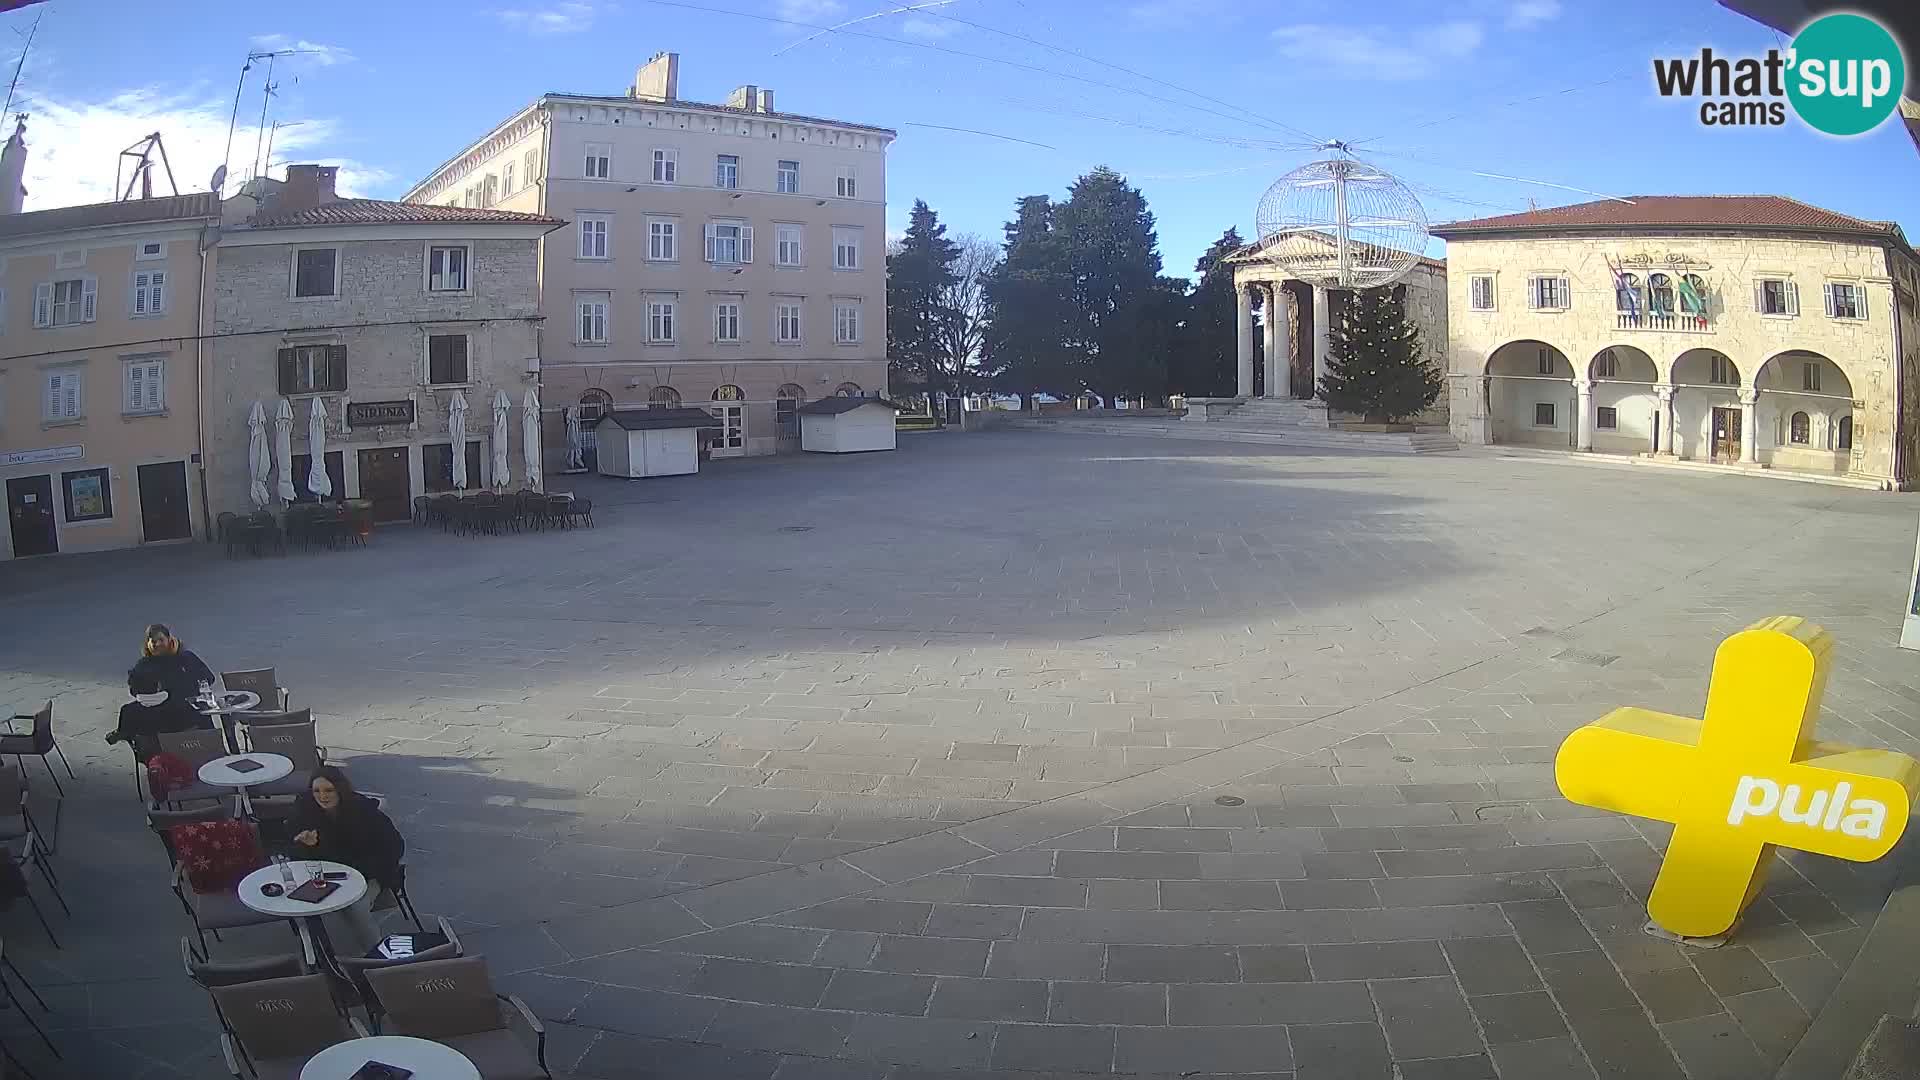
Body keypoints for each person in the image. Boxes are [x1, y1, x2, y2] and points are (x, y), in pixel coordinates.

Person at [289, 766, 405, 952]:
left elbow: (395, 846)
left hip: (368, 873)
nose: (322, 796)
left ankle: (377, 954)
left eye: (329, 790)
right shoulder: (305, 810)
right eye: (316, 791)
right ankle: (318, 956)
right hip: (327, 874)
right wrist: (307, 846)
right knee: (298, 904)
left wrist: (363, 872)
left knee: (355, 908)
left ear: (340, 789)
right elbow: (295, 854)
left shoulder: (364, 811)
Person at [104, 664, 207, 764]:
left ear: (133, 690)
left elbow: (126, 733)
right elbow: (196, 725)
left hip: (149, 755)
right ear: (159, 686)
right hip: (184, 751)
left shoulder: (128, 711)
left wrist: (116, 735)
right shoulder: (181, 705)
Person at [135, 624, 217, 706]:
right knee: (129, 710)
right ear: (148, 644)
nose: (157, 644)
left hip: (186, 704)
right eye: (153, 641)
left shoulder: (186, 657)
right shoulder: (144, 664)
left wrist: (175, 693)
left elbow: (208, 678)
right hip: (154, 706)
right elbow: (135, 688)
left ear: (169, 640)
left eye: (161, 640)